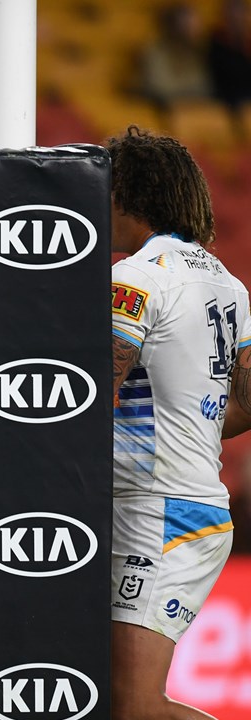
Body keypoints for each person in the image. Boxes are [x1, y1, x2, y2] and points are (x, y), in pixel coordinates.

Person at [107, 126, 248, 720]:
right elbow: (249, 400)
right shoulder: (229, 285)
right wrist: (192, 422)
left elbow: (92, 394)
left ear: (126, 194)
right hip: (181, 504)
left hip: (159, 514)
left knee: (133, 707)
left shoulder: (136, 277)